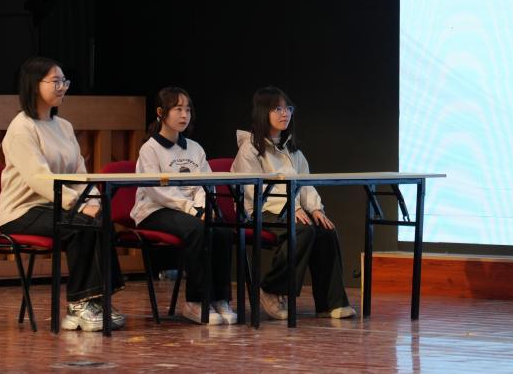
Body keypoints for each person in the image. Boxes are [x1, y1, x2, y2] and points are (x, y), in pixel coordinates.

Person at [0, 56, 125, 332]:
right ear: (34, 85)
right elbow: (39, 178)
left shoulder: (64, 126)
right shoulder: (21, 128)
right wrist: (78, 205)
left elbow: (79, 173)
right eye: (55, 81)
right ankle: (78, 304)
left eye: (64, 81)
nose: (63, 87)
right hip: (23, 211)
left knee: (100, 219)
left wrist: (91, 201)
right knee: (79, 225)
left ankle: (98, 299)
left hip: (56, 205)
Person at [233, 87, 355, 321]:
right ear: (263, 112)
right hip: (259, 212)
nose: (284, 113)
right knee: (301, 229)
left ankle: (330, 303)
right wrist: (290, 208)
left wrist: (315, 208)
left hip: (289, 211)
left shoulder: (292, 150)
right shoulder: (249, 149)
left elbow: (305, 183)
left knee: (325, 230)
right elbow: (253, 191)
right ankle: (271, 289)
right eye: (277, 109)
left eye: (287, 108)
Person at [131, 87, 238, 325]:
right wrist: (193, 210)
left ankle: (219, 298)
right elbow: (157, 190)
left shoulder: (194, 148)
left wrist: (203, 207)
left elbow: (205, 184)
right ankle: (196, 301)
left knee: (220, 230)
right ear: (161, 113)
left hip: (191, 210)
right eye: (178, 109)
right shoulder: (150, 149)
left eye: (188, 110)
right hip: (155, 210)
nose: (184, 115)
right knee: (197, 229)